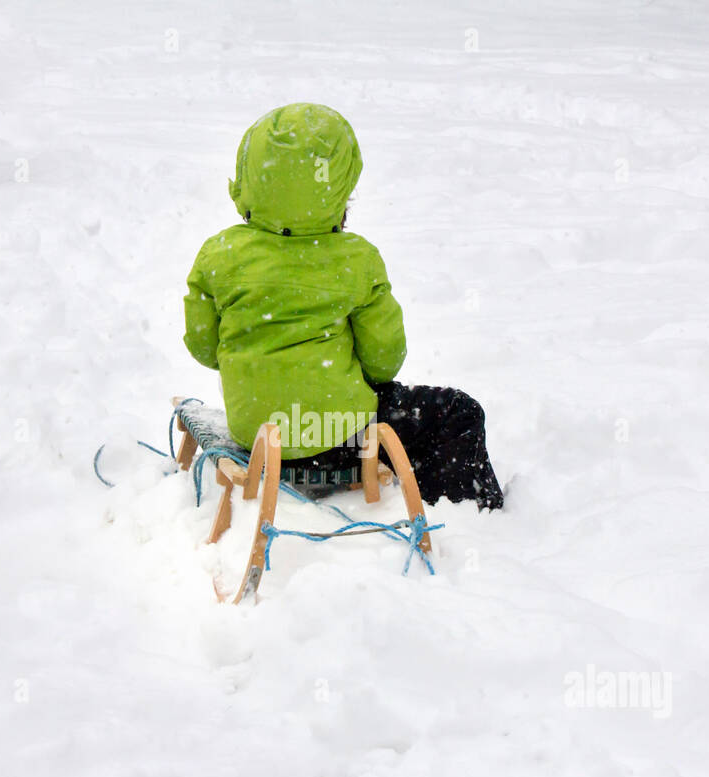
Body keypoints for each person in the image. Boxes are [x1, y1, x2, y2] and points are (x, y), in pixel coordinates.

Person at [183, 103, 504, 510]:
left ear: (251, 178)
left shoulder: (220, 254)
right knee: (458, 413)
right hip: (341, 437)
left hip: (260, 435)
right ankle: (469, 515)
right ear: (338, 185)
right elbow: (384, 362)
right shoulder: (356, 259)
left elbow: (203, 347)